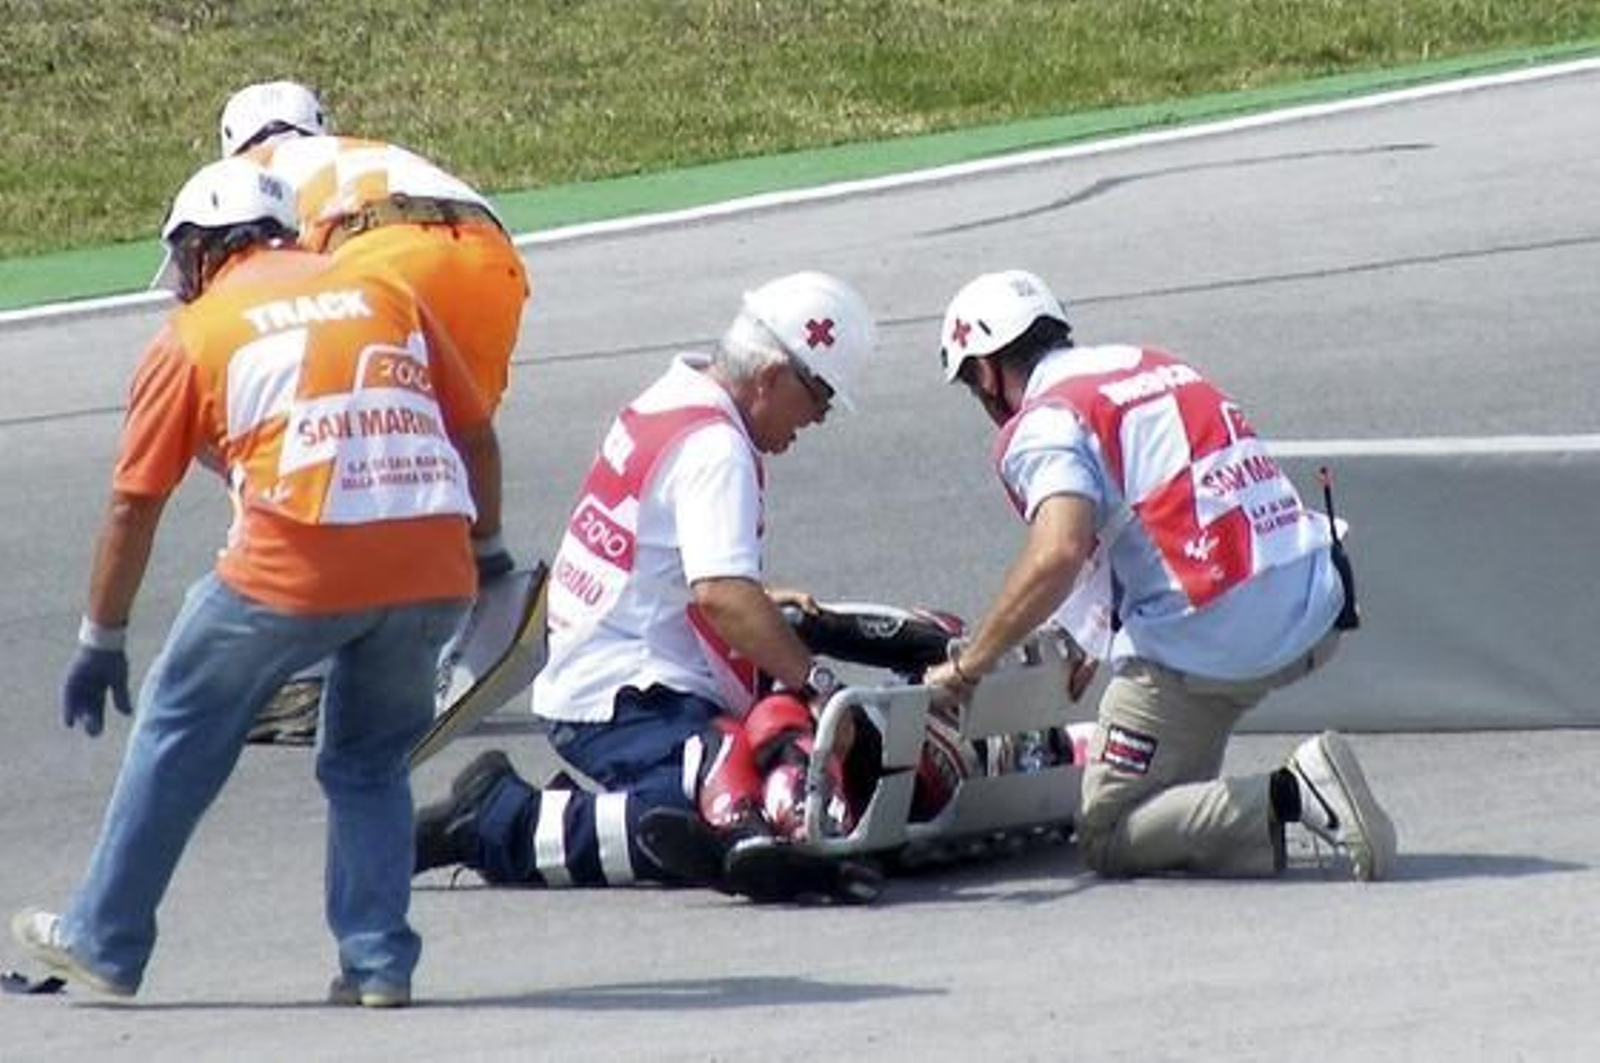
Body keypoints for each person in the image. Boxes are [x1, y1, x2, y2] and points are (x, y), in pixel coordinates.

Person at [10, 156, 503, 1005]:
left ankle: (105, 938)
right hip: (434, 566)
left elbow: (134, 505)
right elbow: (475, 433)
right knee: (369, 762)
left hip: (291, 571)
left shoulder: (196, 334)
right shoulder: (386, 294)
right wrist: (487, 554)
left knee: (176, 730)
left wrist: (103, 637)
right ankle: (378, 962)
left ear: (203, 251)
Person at [414, 271, 881, 902]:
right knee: (726, 818)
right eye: (820, 395)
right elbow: (719, 594)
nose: (820, 417)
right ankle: (495, 822)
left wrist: (761, 608)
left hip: (603, 667)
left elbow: (665, 569)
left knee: (772, 763)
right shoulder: (717, 448)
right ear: (772, 375)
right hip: (624, 695)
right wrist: (819, 684)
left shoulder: (673, 395)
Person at [921, 269, 1397, 882]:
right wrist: (1097, 630)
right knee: (1176, 802)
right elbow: (1148, 507)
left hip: (1215, 636)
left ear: (985, 372)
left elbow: (1058, 551)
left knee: (1110, 830)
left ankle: (1292, 794)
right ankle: (1246, 826)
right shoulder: (1154, 362)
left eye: (972, 384)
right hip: (1315, 598)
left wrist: (970, 665)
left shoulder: (1044, 421)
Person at [217, 80, 531, 742]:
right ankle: (479, 586)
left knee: (304, 449)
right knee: (436, 446)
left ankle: (312, 661)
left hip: (379, 261)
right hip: (486, 252)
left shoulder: (234, 187)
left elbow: (220, 331)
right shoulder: (358, 151)